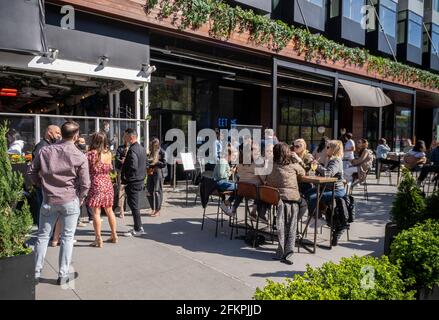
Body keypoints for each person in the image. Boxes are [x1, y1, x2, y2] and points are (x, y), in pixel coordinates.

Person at [28, 121, 90, 285]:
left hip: (49, 199)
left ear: (61, 134)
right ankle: (63, 275)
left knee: (42, 236)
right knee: (67, 238)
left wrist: (40, 185)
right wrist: (80, 199)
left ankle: (35, 273)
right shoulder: (79, 155)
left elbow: (31, 171)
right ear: (76, 136)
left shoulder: (45, 151)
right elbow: (85, 184)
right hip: (69, 200)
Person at [265, 142, 307, 265]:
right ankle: (289, 245)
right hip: (292, 198)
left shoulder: (271, 166)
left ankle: (283, 241)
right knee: (304, 204)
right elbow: (303, 173)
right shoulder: (293, 165)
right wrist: (298, 160)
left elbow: (269, 181)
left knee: (290, 209)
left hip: (276, 199)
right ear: (288, 152)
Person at [306, 140, 346, 241]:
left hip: (336, 190)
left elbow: (328, 173)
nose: (325, 149)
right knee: (307, 194)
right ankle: (317, 214)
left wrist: (317, 166)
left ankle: (318, 218)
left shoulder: (336, 160)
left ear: (334, 149)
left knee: (312, 198)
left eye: (328, 147)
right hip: (327, 187)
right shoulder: (330, 159)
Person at [86, 132, 118, 247]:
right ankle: (114, 235)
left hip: (96, 183)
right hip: (107, 183)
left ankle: (98, 238)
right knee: (109, 210)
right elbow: (110, 169)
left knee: (96, 212)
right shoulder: (108, 153)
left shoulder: (90, 154)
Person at [31, 125, 61, 227]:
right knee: (44, 209)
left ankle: (50, 234)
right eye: (57, 133)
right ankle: (44, 233)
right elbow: (36, 167)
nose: (59, 135)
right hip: (43, 184)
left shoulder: (52, 145)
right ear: (49, 132)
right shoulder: (41, 146)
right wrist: (39, 182)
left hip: (49, 184)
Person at [224, 142, 265, 218]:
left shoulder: (240, 162)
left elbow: (239, 173)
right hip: (254, 191)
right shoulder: (258, 162)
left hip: (242, 190)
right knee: (262, 188)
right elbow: (262, 177)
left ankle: (233, 209)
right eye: (256, 149)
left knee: (242, 186)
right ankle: (254, 211)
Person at [121, 128, 147, 236]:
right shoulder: (141, 148)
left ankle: (138, 228)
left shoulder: (132, 150)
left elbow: (133, 166)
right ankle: (138, 227)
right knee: (134, 205)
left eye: (125, 136)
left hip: (133, 181)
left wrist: (127, 178)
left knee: (134, 205)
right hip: (139, 180)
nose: (124, 138)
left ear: (131, 137)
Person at [146, 137, 166, 217]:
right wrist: (148, 164)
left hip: (158, 172)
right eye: (151, 145)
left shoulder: (162, 152)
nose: (152, 146)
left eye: (153, 144)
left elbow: (164, 164)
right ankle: (153, 208)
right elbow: (147, 161)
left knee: (158, 191)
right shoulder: (151, 152)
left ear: (157, 144)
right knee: (149, 190)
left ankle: (158, 210)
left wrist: (156, 162)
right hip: (150, 171)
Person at [214, 145, 237, 214]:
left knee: (239, 188)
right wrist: (231, 172)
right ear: (229, 154)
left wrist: (229, 170)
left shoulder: (223, 161)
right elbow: (221, 175)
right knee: (240, 188)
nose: (234, 158)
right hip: (220, 183)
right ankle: (226, 204)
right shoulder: (223, 161)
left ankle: (226, 203)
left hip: (220, 182)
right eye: (233, 156)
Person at [115, 133, 130, 219]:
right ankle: (121, 210)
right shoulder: (120, 148)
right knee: (121, 190)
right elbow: (117, 157)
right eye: (125, 139)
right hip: (122, 171)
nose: (126, 140)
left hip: (130, 172)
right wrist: (122, 160)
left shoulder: (133, 148)